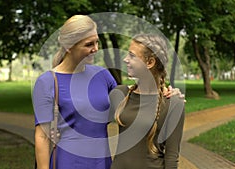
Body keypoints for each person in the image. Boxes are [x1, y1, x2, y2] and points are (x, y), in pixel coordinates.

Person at [33, 14, 183, 169]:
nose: (96, 49)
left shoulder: (102, 76)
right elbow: (42, 137)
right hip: (68, 162)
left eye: (97, 41)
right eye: (89, 44)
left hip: (101, 162)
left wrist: (168, 93)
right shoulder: (47, 82)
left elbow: (133, 98)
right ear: (69, 46)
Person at [109, 34, 185, 169]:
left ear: (150, 63)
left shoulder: (173, 103)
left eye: (132, 56)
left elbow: (172, 158)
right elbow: (89, 123)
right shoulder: (120, 94)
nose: (125, 59)